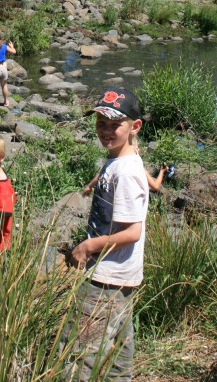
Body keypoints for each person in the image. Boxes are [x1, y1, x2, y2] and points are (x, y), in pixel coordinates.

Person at [64, 88, 149, 382]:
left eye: (115, 125)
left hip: (106, 278)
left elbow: (133, 232)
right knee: (118, 358)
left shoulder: (126, 172)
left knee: (77, 355)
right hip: (123, 278)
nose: (106, 130)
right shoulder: (121, 159)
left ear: (134, 127)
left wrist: (88, 246)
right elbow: (118, 166)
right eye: (101, 123)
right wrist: (96, 180)